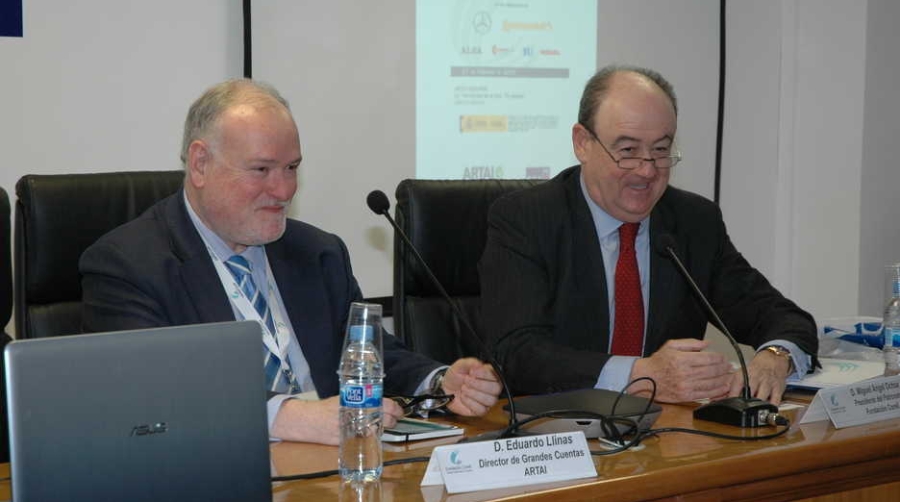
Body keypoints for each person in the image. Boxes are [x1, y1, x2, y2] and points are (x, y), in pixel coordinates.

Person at [80, 79, 501, 444]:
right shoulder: (128, 265)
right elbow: (150, 394)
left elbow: (368, 355)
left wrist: (440, 381)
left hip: (336, 470)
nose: (283, 190)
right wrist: (287, 417)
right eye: (261, 170)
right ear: (200, 164)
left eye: (292, 167)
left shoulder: (318, 252)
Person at [479, 64, 817, 405]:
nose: (647, 170)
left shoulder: (692, 222)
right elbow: (517, 354)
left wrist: (776, 356)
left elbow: (783, 318)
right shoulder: (526, 219)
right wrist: (640, 375)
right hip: (557, 432)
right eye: (628, 151)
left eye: (660, 150)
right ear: (582, 143)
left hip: (666, 436)